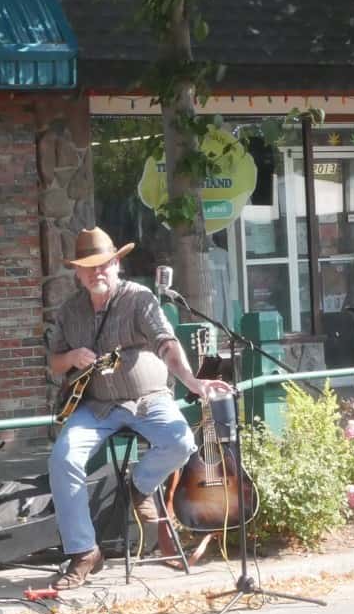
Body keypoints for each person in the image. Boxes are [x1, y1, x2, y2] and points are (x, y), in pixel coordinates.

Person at [46, 227, 230, 590]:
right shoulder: (69, 310)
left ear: (117, 264)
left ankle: (141, 485)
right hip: (97, 405)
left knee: (180, 442)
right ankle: (84, 552)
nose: (97, 272)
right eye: (89, 266)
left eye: (104, 264)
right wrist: (70, 357)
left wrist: (193, 382)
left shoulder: (140, 299)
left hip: (148, 399)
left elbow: (167, 343)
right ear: (78, 273)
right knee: (62, 458)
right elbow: (53, 363)